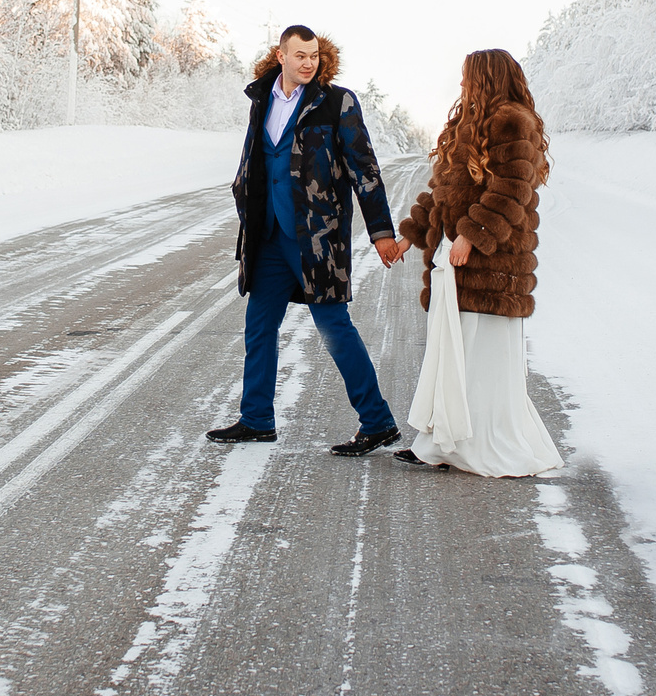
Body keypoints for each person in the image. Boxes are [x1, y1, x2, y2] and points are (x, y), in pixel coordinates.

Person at [213, 24, 408, 453]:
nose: (308, 62)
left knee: (334, 328)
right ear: (280, 55)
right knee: (259, 327)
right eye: (299, 55)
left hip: (317, 239)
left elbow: (365, 169)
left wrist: (381, 233)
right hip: (267, 236)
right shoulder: (261, 99)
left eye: (314, 55)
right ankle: (256, 418)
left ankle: (377, 421)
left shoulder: (337, 102)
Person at [394, 49, 562, 477]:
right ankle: (442, 443)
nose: (463, 85)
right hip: (456, 262)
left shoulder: (511, 122)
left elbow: (511, 191)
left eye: (470, 78)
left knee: (479, 357)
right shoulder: (466, 126)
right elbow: (440, 192)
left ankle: (479, 444)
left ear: (488, 78)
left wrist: (472, 235)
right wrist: (408, 236)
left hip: (493, 267)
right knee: (452, 352)